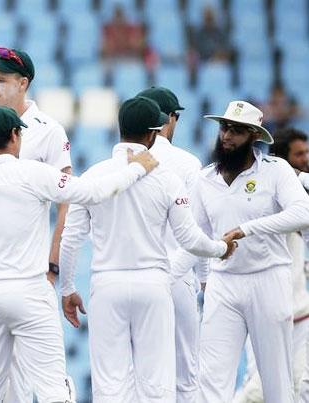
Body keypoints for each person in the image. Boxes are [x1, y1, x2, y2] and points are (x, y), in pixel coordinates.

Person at [0, 105, 160, 402]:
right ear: (15, 136)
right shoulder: (33, 173)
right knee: (52, 388)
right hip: (29, 292)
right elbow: (95, 192)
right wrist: (138, 167)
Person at [59, 96, 235, 403]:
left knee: (110, 384)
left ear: (120, 128)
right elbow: (191, 240)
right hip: (153, 286)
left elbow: (71, 239)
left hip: (107, 285)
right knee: (156, 384)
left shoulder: (93, 176)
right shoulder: (166, 179)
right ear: (155, 133)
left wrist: (68, 288)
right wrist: (221, 248)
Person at [0, 47, 72, 402]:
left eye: (1, 80)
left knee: (34, 373)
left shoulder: (48, 131)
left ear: (23, 83)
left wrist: (53, 264)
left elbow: (65, 202)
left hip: (29, 274)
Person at [192, 101, 309, 402]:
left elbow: (303, 212)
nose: (227, 136)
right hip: (223, 283)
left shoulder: (276, 170)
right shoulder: (204, 179)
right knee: (210, 379)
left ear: (254, 136)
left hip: (268, 278)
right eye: (224, 128)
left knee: (276, 382)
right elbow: (197, 235)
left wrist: (249, 228)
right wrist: (203, 279)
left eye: (237, 131)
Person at [232, 127, 309, 403]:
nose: (306, 158)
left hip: (300, 316)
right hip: (267, 313)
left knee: (299, 391)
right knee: (259, 391)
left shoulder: (298, 192)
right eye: (299, 154)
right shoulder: (272, 195)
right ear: (283, 159)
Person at [138, 86, 203, 403]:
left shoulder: (121, 160)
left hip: (137, 276)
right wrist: (201, 276)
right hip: (177, 278)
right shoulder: (188, 163)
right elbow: (197, 230)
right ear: (171, 118)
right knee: (186, 376)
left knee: (141, 376)